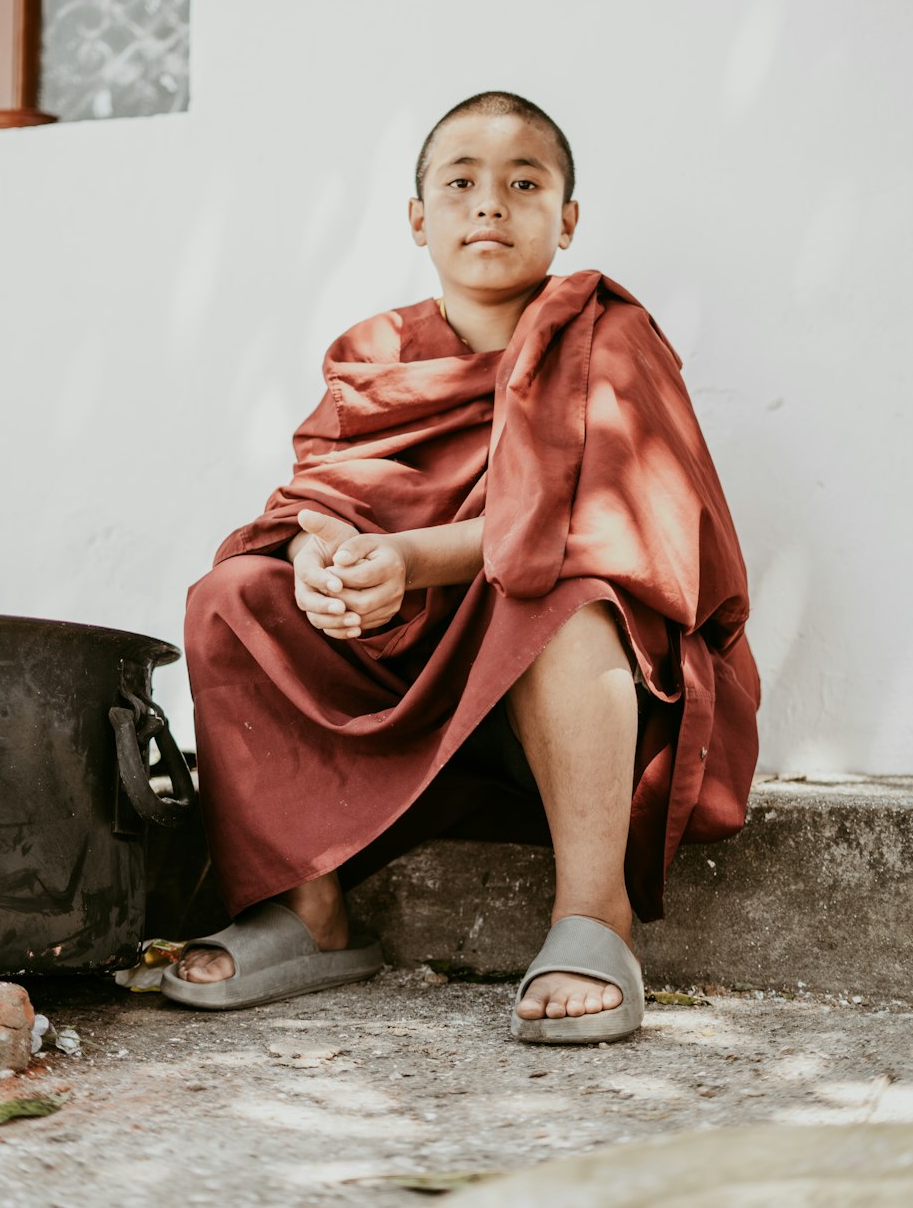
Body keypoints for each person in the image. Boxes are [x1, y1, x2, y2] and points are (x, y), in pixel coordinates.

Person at [161, 91, 760, 1044]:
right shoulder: (373, 355)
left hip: (571, 710)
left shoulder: (606, 335)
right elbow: (318, 500)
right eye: (462, 183)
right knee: (236, 593)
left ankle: (592, 914)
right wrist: (326, 561)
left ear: (566, 220)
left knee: (563, 585)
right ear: (418, 218)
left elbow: (601, 520)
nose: (491, 204)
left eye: (525, 183)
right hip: (411, 675)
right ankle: (309, 912)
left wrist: (411, 559)